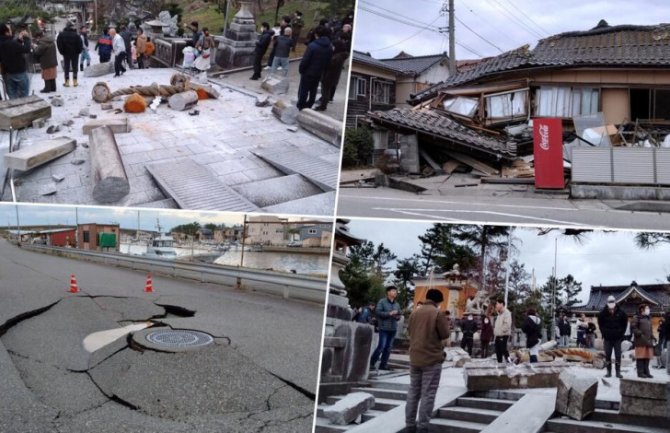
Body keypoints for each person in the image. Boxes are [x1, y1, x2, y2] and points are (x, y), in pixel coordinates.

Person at [405, 289, 450, 433]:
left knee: (413, 392)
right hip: (432, 358)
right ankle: (422, 427)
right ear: (438, 301)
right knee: (428, 394)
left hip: (415, 358)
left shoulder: (414, 313)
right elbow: (445, 334)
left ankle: (409, 425)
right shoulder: (437, 313)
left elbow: (409, 332)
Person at [297, 25, 332, 110]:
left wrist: (301, 69)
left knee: (304, 90)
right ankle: (310, 104)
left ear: (316, 34)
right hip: (319, 73)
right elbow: (328, 61)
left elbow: (305, 60)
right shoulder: (329, 47)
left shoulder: (312, 45)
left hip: (308, 72)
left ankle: (301, 106)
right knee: (313, 89)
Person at [369, 286, 402, 370]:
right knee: (381, 346)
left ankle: (383, 365)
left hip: (393, 328)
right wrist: (389, 313)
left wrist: (397, 316)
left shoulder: (397, 304)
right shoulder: (382, 302)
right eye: (393, 291)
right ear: (388, 292)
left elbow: (399, 314)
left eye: (396, 291)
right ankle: (371, 363)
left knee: (388, 348)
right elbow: (378, 312)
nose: (395, 293)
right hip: (384, 328)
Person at [597, 295, 628, 378]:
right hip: (607, 338)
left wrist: (621, 333)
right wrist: (604, 333)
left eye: (612, 301)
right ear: (607, 302)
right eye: (610, 302)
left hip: (617, 338)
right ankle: (608, 371)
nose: (611, 303)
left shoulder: (621, 312)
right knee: (608, 355)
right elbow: (600, 324)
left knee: (618, 355)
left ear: (615, 302)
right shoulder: (602, 313)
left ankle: (618, 372)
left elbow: (624, 324)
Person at [314, 39, 348, 111]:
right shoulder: (340, 55)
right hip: (332, 77)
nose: (332, 47)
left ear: (337, 47)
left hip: (329, 77)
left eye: (333, 46)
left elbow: (328, 65)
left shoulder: (337, 57)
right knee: (327, 91)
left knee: (325, 91)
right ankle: (323, 104)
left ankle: (323, 106)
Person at [631, 303, 654, 378]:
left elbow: (650, 329)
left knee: (647, 357)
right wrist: (640, 333)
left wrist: (653, 336)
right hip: (640, 341)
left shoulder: (648, 318)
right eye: (647, 308)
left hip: (648, 341)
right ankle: (640, 372)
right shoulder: (637, 317)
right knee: (641, 357)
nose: (648, 310)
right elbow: (633, 328)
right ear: (642, 309)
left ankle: (646, 372)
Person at [56, 22, 83, 87]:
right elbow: (80, 44)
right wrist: (78, 51)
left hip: (66, 53)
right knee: (75, 67)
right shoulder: (76, 35)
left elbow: (59, 43)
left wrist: (62, 51)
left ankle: (67, 82)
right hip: (75, 53)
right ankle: (75, 82)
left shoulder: (61, 34)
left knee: (66, 67)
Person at [493, 299, 512, 363]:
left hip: (503, 335)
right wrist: (495, 332)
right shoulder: (499, 314)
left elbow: (507, 325)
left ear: (501, 304)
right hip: (497, 336)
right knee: (498, 351)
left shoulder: (507, 313)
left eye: (497, 304)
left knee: (504, 350)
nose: (496, 305)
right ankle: (499, 365)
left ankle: (509, 362)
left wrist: (500, 332)